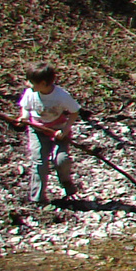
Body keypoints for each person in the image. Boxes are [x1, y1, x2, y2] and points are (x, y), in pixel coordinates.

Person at [13, 63, 82, 204]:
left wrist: (65, 130)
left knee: (61, 160)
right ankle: (37, 197)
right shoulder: (30, 93)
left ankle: (67, 183)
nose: (27, 84)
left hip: (58, 130)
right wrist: (24, 118)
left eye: (31, 82)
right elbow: (25, 108)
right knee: (39, 161)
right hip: (37, 130)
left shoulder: (61, 96)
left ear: (43, 83)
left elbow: (75, 112)